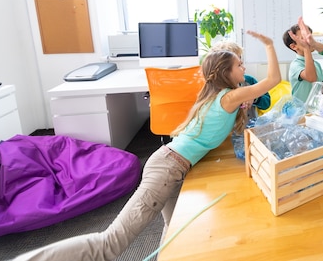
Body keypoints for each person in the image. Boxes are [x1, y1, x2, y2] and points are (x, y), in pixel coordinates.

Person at [15, 30, 281, 261]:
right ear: (226, 73)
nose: (244, 69)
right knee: (109, 244)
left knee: (174, 232)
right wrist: (269, 45)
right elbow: (272, 81)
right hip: (167, 170)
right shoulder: (229, 96)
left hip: (170, 166)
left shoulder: (218, 95)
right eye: (240, 65)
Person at [210, 40, 271, 120]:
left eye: (240, 59)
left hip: (250, 128)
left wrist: (254, 97)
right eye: (238, 63)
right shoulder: (214, 89)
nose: (242, 64)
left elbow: (267, 102)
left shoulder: (248, 80)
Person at [283, 23, 323, 103]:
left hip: (315, 112)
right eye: (304, 38)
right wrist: (306, 48)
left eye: (310, 36)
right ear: (294, 46)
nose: (310, 40)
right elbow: (311, 78)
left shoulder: (316, 64)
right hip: (301, 113)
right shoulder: (295, 65)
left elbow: (322, 89)